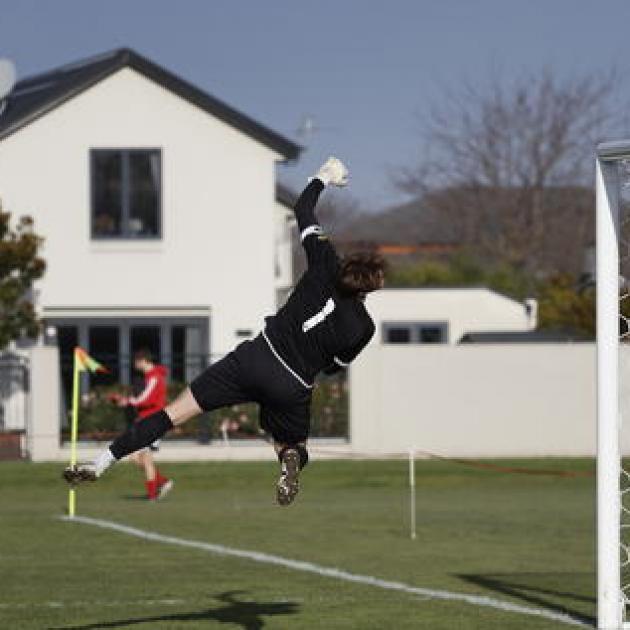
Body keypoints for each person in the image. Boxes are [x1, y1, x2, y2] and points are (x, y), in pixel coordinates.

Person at [64, 157, 386, 506]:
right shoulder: (363, 327)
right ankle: (289, 462)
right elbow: (333, 366)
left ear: (350, 265)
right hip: (293, 384)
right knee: (293, 446)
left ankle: (100, 464)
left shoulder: (325, 261)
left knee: (172, 413)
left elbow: (302, 207)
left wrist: (322, 178)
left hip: (256, 357)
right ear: (371, 288)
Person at [116, 349, 173, 501]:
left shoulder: (155, 376)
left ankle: (153, 494)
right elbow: (144, 397)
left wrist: (128, 402)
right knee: (135, 457)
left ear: (143, 361)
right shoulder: (150, 376)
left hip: (154, 422)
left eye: (136, 362)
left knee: (144, 458)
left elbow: (147, 399)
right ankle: (162, 482)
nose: (135, 365)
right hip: (147, 421)